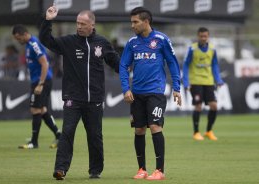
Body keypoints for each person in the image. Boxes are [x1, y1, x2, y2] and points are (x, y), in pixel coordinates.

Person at [39, 6, 120, 180]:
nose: (79, 26)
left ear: (92, 24)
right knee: (67, 133)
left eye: (83, 23)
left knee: (95, 136)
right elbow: (46, 40)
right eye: (77, 23)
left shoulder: (102, 43)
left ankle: (95, 170)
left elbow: (117, 64)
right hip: (73, 98)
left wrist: (131, 75)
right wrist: (48, 20)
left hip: (95, 99)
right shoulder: (68, 42)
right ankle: (60, 169)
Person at [119, 7, 182, 180]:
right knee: (139, 130)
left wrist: (177, 87)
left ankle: (159, 171)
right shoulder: (132, 43)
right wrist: (126, 89)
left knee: (155, 127)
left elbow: (172, 63)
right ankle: (142, 169)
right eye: (131, 22)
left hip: (155, 92)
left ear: (146, 22)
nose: (132, 25)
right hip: (136, 94)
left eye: (135, 22)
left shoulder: (161, 39)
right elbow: (123, 66)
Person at [12, 24, 61, 149]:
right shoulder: (29, 45)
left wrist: (40, 83)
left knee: (35, 110)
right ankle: (59, 135)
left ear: (24, 34)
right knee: (42, 110)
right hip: (38, 80)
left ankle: (34, 142)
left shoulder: (34, 44)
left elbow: (45, 64)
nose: (18, 41)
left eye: (18, 38)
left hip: (41, 81)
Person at [182, 27, 224, 141]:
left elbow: (215, 65)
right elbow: (185, 65)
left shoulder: (212, 49)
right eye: (201, 36)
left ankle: (209, 131)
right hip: (195, 82)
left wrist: (218, 79)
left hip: (208, 81)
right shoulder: (192, 49)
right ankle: (196, 132)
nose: (203, 38)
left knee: (214, 106)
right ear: (198, 36)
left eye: (205, 36)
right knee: (198, 106)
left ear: (208, 36)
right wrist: (186, 82)